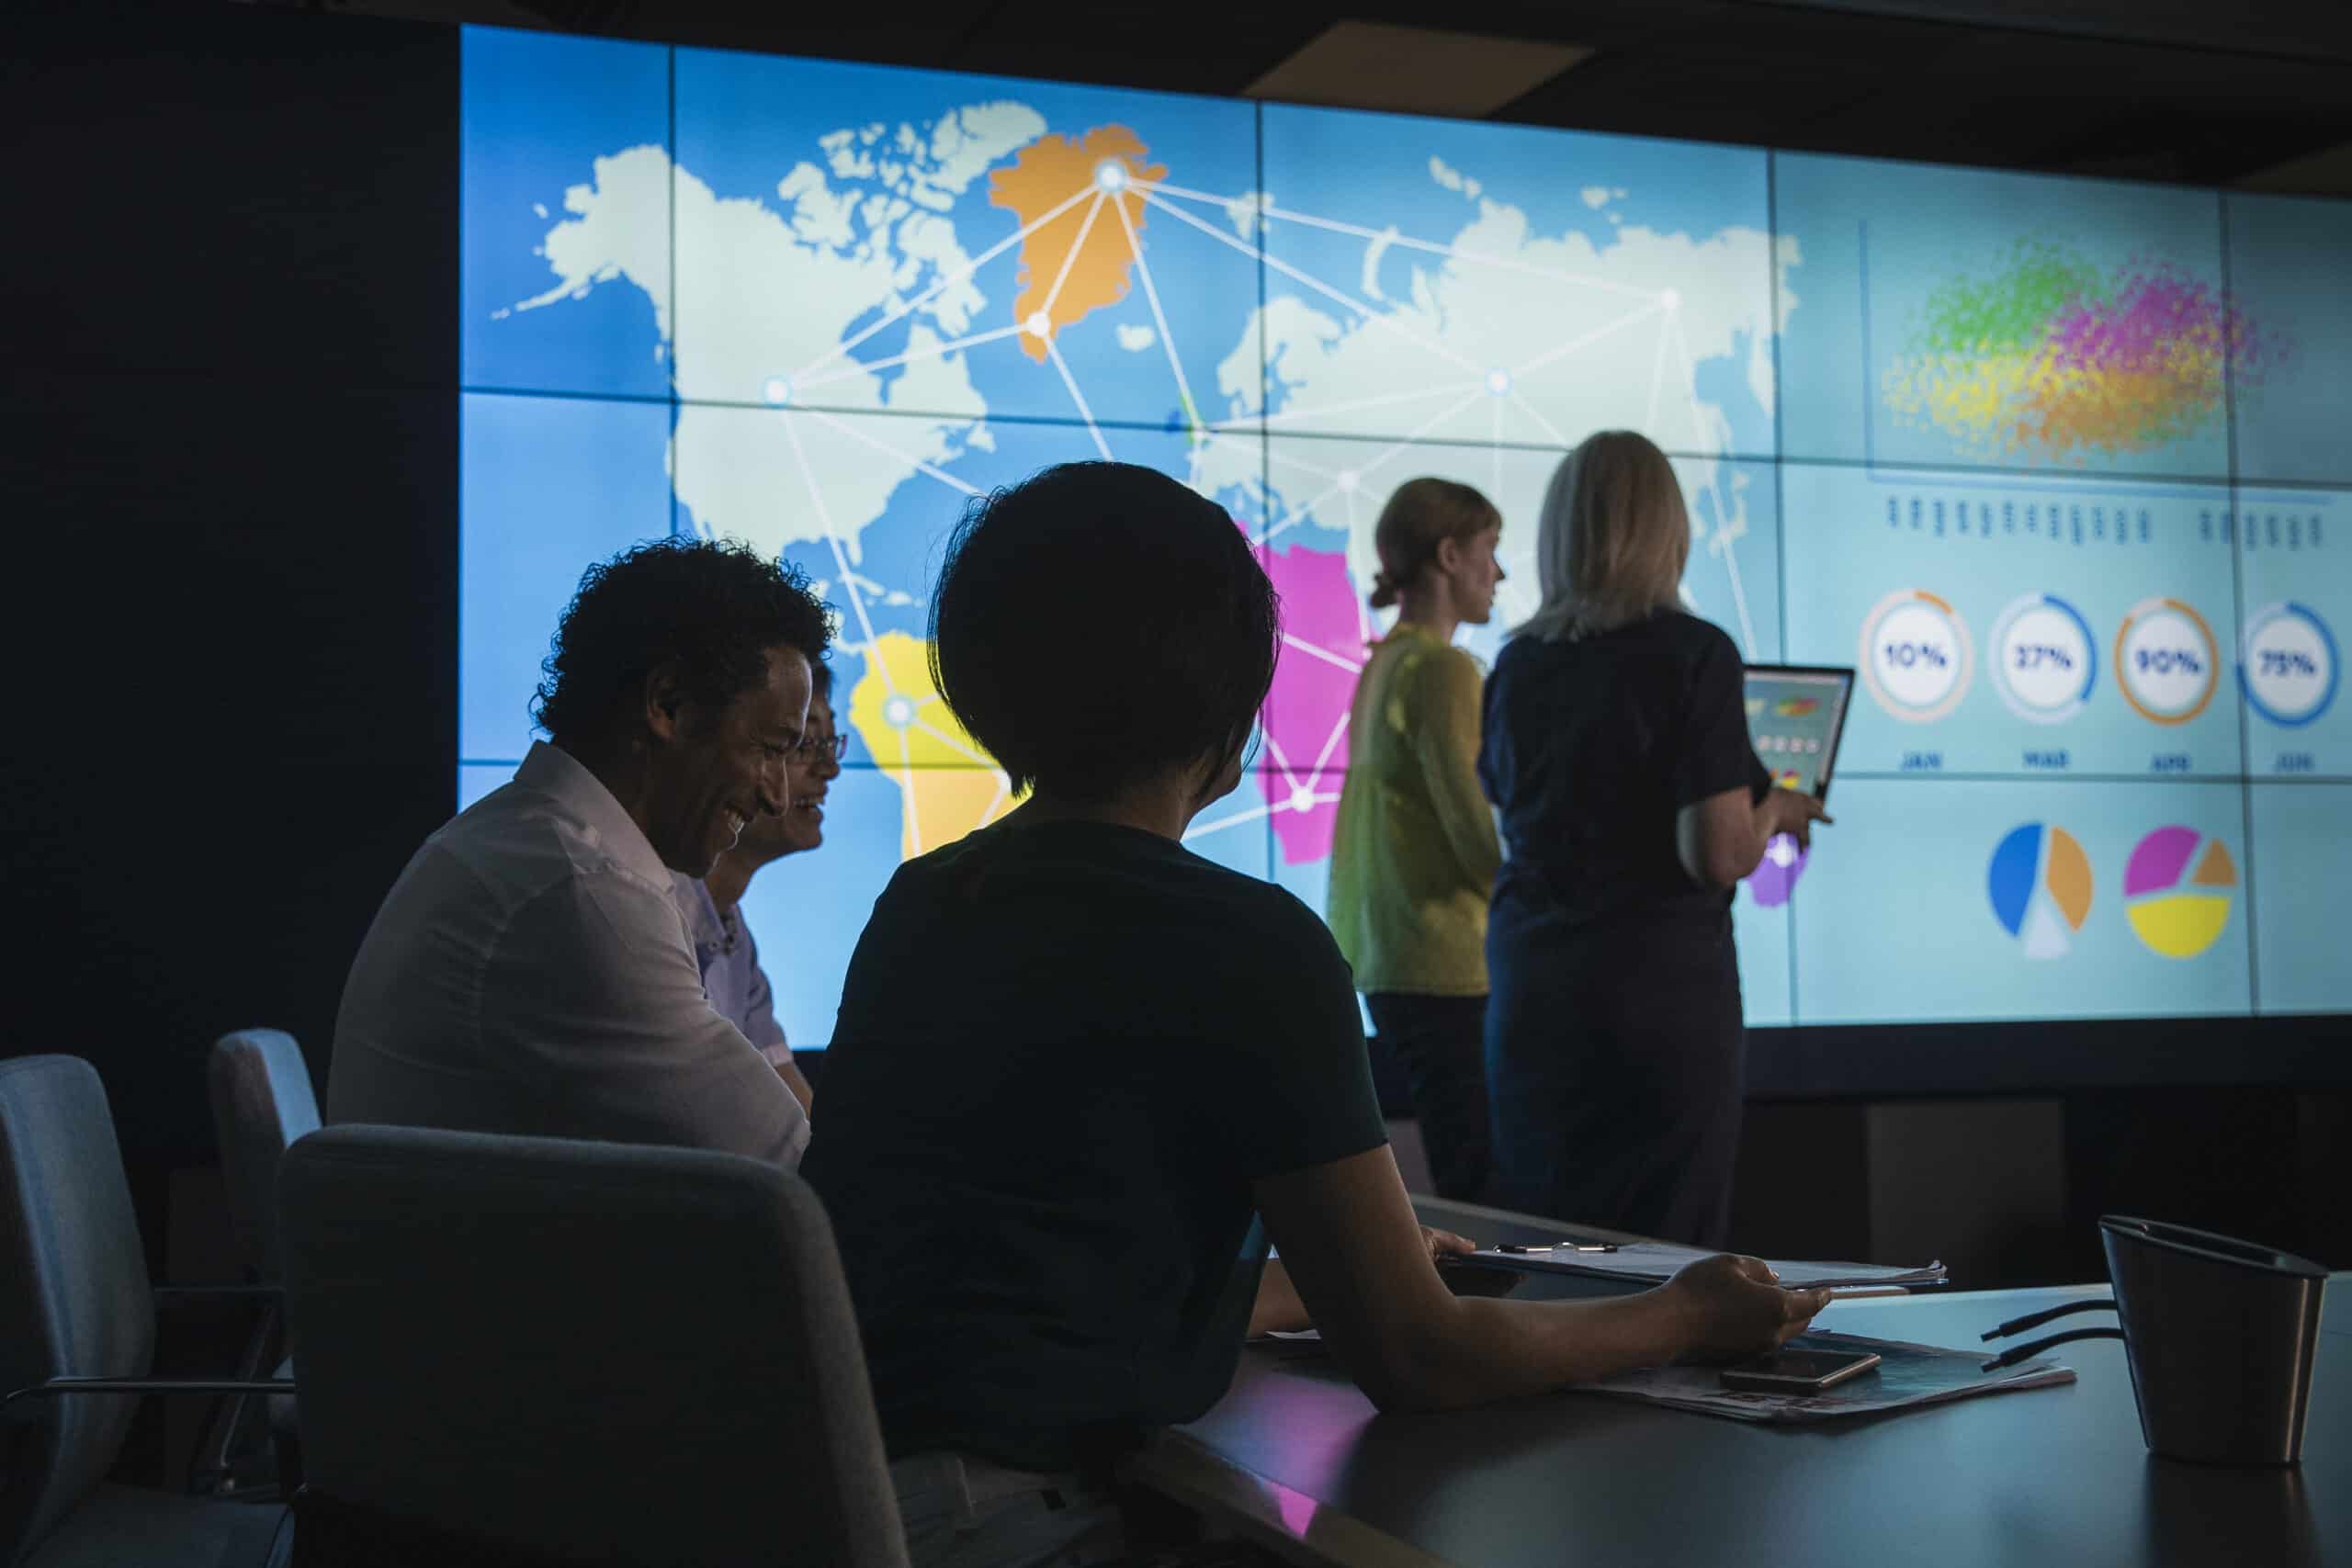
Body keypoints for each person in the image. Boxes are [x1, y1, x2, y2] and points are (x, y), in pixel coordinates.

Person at [804, 461, 1828, 1568]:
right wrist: (1687, 1315)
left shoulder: (922, 904)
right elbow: (1421, 1359)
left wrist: (1310, 1284)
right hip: (1026, 1529)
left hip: (852, 1507)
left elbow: (1031, 1293)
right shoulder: (1246, 943)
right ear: (1232, 707)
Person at [330, 537, 829, 1168]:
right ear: (667, 705)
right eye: (769, 746)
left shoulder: (521, 846)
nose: (778, 795)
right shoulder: (585, 895)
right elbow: (800, 1177)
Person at [1478, 431, 1830, 1247]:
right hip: (1655, 1003)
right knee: (1660, 1258)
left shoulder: (1517, 663)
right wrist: (1777, 809)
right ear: (1667, 529)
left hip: (1533, 994)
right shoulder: (1694, 654)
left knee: (1549, 1250)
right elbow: (1714, 853)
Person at [1326, 478, 1506, 1203]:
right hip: (1447, 959)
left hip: (1391, 955)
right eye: (1491, 550)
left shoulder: (1386, 659)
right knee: (1487, 1179)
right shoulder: (1441, 667)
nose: (1499, 573)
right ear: (1450, 554)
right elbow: (1474, 828)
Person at [673, 659, 845, 1114]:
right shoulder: (649, 913)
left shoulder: (734, 939)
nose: (830, 769)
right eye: (803, 744)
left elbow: (795, 1115)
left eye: (831, 743)